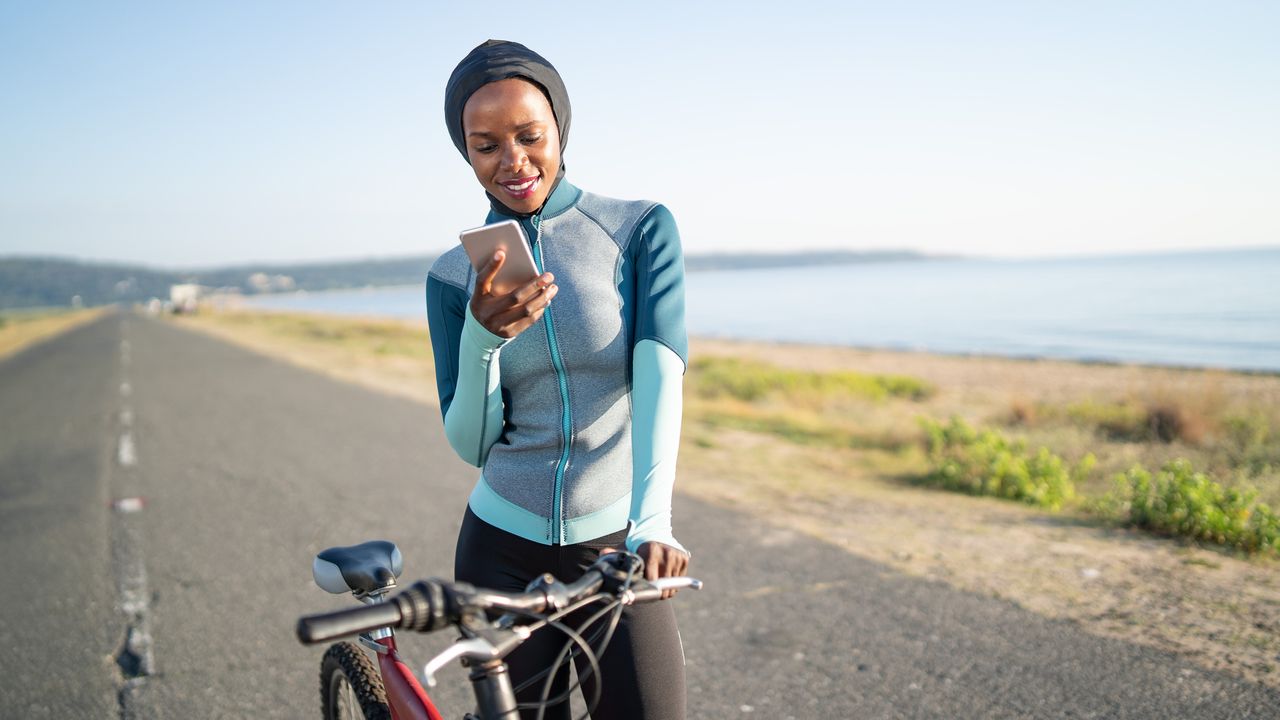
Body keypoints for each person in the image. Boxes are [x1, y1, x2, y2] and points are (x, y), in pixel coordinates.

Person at [425, 40, 690, 720]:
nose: (512, 162)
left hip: (615, 544)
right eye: (485, 146)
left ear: (559, 129)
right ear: (466, 154)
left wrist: (651, 522)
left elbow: (659, 375)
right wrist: (483, 339)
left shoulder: (636, 230)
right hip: (499, 547)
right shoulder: (456, 276)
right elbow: (471, 444)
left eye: (528, 136)